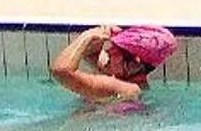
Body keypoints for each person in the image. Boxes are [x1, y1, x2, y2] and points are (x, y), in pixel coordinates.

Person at [49, 24, 178, 104]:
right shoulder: (132, 82)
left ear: (135, 63)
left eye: (115, 50)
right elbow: (90, 55)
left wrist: (86, 36)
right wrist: (106, 33)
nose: (109, 50)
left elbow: (61, 71)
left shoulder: (119, 87)